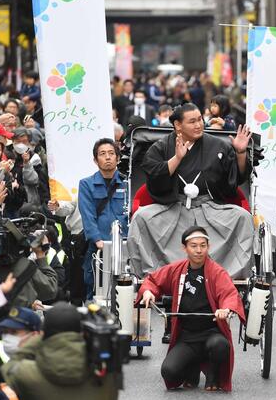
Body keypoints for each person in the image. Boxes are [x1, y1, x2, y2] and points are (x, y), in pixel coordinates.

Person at [128, 103, 253, 279]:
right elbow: (154, 177)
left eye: (200, 120)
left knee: (243, 217)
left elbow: (234, 180)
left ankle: (230, 276)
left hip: (209, 208)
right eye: (192, 121)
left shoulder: (217, 145)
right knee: (141, 218)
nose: (199, 125)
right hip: (173, 207)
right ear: (178, 125)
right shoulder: (162, 146)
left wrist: (240, 153)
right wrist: (177, 158)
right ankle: (154, 275)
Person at [137, 226, 245, 392]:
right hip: (187, 337)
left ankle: (213, 375)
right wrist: (148, 292)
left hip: (211, 332)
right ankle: (192, 367)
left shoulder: (217, 272)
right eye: (194, 246)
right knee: (169, 372)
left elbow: (229, 293)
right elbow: (153, 280)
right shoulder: (177, 269)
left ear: (208, 247)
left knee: (220, 346)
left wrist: (226, 309)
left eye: (203, 245)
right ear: (184, 248)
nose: (199, 250)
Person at [1, 302, 118, 400]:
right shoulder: (103, 375)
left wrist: (37, 339)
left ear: (44, 333)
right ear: (82, 332)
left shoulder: (27, 373)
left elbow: (10, 368)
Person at [78, 138, 128, 299]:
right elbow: (87, 215)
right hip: (98, 248)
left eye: (111, 153)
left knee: (124, 293)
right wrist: (97, 240)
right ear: (95, 159)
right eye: (102, 154)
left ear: (118, 158)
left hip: (124, 248)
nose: (107, 157)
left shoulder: (127, 183)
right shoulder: (86, 184)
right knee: (95, 292)